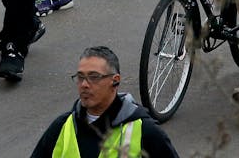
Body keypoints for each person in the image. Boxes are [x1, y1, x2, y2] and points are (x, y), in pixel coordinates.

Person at [29, 45, 180, 158]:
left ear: (115, 81)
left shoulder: (146, 131)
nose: (84, 84)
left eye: (94, 77)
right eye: (80, 77)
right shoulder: (61, 127)